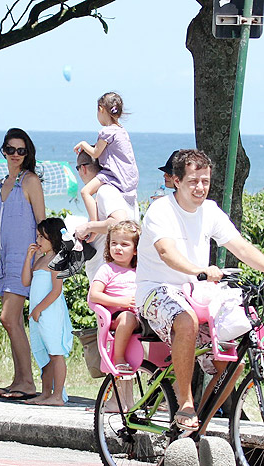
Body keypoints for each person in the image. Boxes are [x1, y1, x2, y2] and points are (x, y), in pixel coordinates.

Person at [136, 149, 264, 432]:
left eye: (205, 181)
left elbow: (240, 247)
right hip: (155, 291)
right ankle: (185, 402)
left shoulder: (210, 211)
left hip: (196, 294)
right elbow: (166, 252)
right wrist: (199, 271)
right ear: (177, 181)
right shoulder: (161, 210)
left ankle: (199, 427)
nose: (200, 187)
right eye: (193, 181)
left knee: (232, 362)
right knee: (186, 321)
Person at [0, 128, 45, 400]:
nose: (16, 155)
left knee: (9, 318)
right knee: (13, 323)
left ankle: (27, 382)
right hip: (6, 261)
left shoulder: (30, 181)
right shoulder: (1, 185)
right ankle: (19, 380)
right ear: (3, 151)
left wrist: (39, 260)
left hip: (26, 260)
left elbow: (42, 224)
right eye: (11, 149)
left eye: (21, 150)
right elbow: (0, 227)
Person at [21, 218, 73, 406]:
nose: (38, 240)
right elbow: (26, 281)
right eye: (37, 236)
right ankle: (45, 392)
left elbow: (56, 291)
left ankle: (57, 395)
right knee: (43, 353)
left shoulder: (58, 260)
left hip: (49, 312)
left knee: (55, 352)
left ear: (53, 238)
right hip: (38, 313)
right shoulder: (41, 259)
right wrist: (29, 258)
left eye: (42, 237)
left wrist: (38, 309)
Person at [73, 151, 138, 282]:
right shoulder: (122, 192)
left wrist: (87, 227)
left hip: (110, 277)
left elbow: (119, 222)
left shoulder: (106, 191)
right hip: (122, 273)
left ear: (83, 168)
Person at [73, 92, 139, 222]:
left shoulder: (106, 132)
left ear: (101, 109)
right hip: (129, 176)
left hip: (113, 174)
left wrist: (83, 144)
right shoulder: (122, 131)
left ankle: (93, 224)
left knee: (85, 192)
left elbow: (95, 153)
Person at [88, 220, 140, 374]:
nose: (118, 248)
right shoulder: (107, 269)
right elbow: (94, 295)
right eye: (114, 243)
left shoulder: (140, 271)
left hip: (138, 316)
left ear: (135, 250)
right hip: (115, 317)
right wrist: (121, 302)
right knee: (127, 318)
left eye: (124, 244)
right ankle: (118, 358)